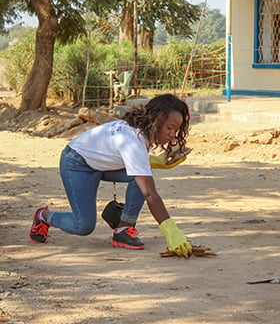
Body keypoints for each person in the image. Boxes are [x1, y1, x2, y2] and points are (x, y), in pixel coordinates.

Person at [28, 94, 193, 258]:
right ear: (156, 120)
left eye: (176, 130)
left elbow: (133, 160)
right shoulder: (132, 140)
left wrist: (155, 161)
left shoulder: (141, 131)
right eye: (169, 128)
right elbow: (149, 194)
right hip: (77, 163)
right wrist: (171, 231)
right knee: (82, 225)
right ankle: (43, 216)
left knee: (143, 175)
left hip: (99, 162)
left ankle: (124, 229)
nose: (173, 134)